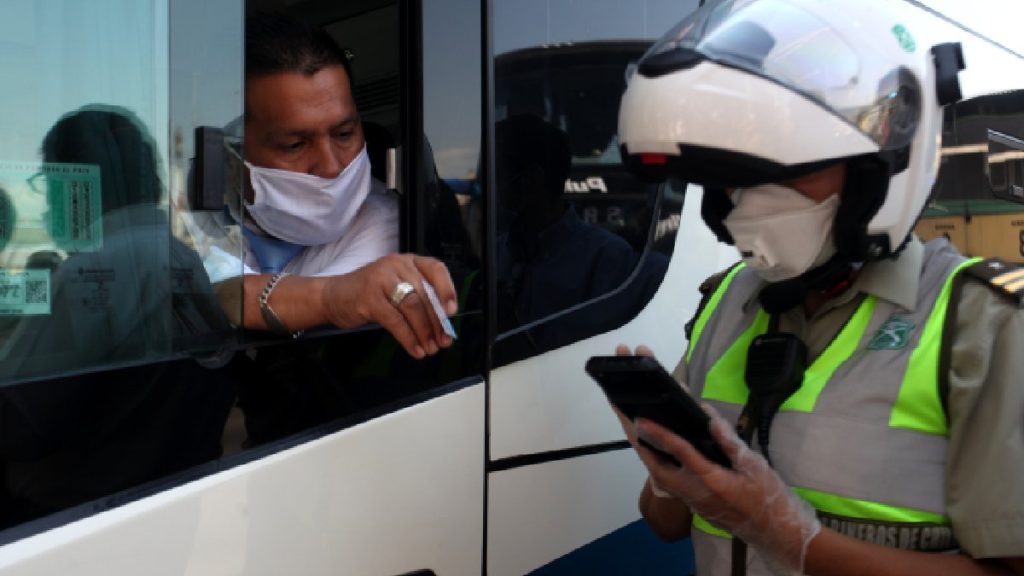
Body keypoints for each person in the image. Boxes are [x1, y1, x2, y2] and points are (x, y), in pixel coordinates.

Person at [611, 1, 1024, 575]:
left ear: (877, 169)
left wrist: (794, 541)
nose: (751, 202)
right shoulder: (728, 302)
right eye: (738, 178)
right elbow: (666, 523)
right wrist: (669, 476)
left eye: (790, 170)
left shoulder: (980, 324)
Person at [211, 12, 455, 360]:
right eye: (294, 145)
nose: (331, 166)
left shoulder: (384, 222)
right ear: (234, 157)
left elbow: (225, 303)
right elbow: (201, 286)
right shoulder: (208, 214)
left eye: (344, 134)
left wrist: (330, 299)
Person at [493, 114, 668, 362]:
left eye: (497, 173)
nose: (489, 185)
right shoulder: (496, 253)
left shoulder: (609, 262)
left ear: (531, 179)